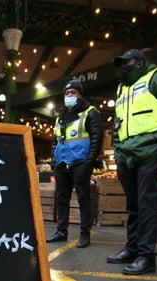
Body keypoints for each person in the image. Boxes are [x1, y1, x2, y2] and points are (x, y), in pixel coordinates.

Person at [107, 49, 157, 275]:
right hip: (125, 154)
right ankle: (132, 249)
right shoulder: (123, 88)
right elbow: (118, 122)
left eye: (127, 62)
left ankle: (146, 256)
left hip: (150, 151)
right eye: (121, 63)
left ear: (141, 63)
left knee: (146, 205)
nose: (123, 66)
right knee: (133, 205)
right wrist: (116, 149)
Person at [46, 79, 102, 248]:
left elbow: (97, 139)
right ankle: (62, 231)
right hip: (62, 164)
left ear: (80, 95)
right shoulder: (60, 117)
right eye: (67, 93)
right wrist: (54, 162)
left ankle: (85, 233)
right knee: (62, 199)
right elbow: (55, 140)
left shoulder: (90, 112)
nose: (69, 95)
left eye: (73, 93)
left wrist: (89, 162)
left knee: (83, 198)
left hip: (80, 163)